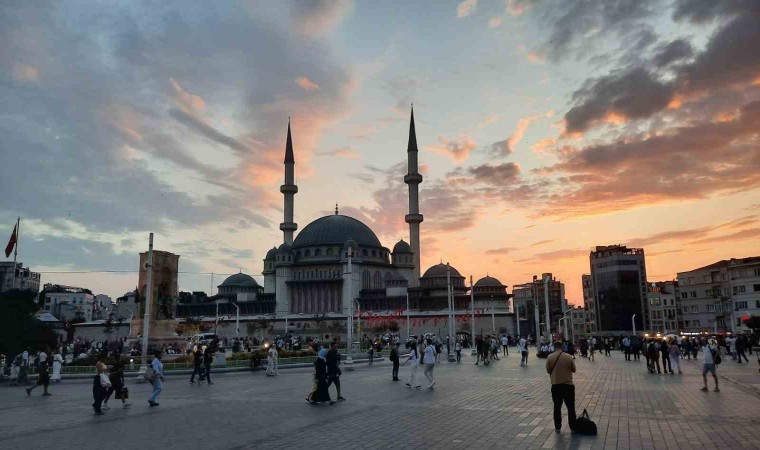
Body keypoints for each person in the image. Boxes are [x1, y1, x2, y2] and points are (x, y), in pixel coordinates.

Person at [546, 341, 577, 433]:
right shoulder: (568, 357)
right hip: (568, 385)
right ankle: (573, 427)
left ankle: (558, 427)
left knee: (557, 407)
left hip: (556, 385)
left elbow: (548, 370)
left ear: (554, 347)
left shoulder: (550, 357)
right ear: (562, 346)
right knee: (571, 407)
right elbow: (574, 369)